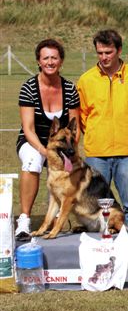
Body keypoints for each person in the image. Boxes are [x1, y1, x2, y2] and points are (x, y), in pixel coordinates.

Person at [76, 30, 128, 230]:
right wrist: (94, 134)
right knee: (96, 206)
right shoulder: (85, 80)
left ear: (119, 50)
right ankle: (100, 247)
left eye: (108, 52)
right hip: (97, 153)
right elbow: (81, 116)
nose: (104, 57)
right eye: (100, 53)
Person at [14, 39, 80, 240]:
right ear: (38, 61)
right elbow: (28, 128)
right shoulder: (29, 88)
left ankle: (59, 214)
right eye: (46, 58)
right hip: (33, 140)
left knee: (70, 167)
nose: (50, 62)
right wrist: (46, 153)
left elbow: (75, 126)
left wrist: (71, 151)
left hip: (63, 143)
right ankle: (24, 220)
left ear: (61, 61)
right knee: (32, 162)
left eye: (54, 58)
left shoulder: (70, 89)